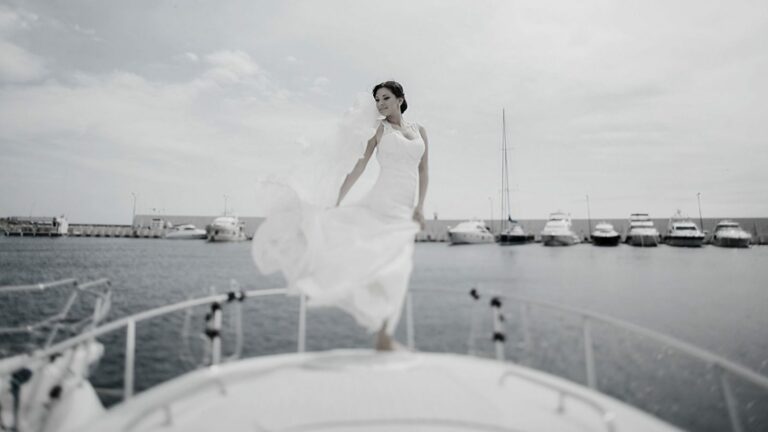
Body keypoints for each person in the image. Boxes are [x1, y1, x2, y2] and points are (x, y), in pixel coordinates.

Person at [251, 80, 429, 350]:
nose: (380, 104)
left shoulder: (420, 131)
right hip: (382, 202)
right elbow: (358, 168)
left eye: (385, 98)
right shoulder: (378, 131)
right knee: (382, 260)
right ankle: (383, 336)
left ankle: (384, 336)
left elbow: (424, 171)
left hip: (405, 207)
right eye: (377, 99)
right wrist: (336, 201)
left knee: (401, 267)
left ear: (400, 98)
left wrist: (420, 206)